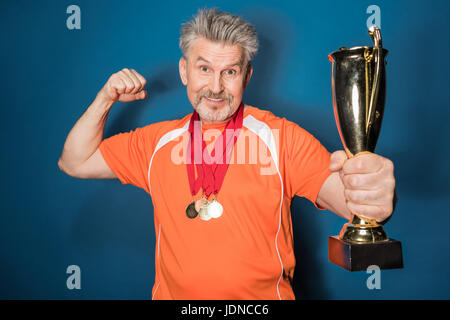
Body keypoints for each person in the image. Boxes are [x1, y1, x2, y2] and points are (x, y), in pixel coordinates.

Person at [57, 8, 396, 300]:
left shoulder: (282, 138)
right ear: (184, 71)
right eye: (204, 69)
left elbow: (348, 202)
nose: (216, 87)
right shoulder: (155, 143)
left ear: (246, 76)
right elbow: (74, 161)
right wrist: (105, 98)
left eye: (229, 71)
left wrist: (371, 194)